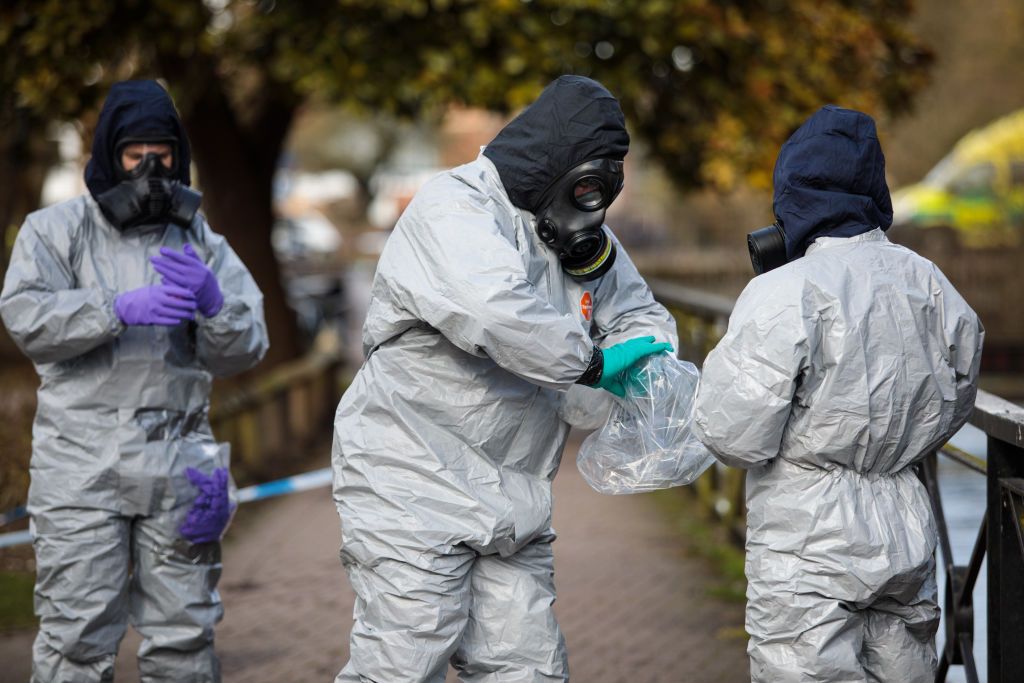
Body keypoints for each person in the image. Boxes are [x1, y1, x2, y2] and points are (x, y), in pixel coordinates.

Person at [332, 75, 677, 682]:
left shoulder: (575, 233)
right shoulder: (453, 207)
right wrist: (593, 365)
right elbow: (496, 310)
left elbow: (645, 316)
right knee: (401, 666)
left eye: (603, 190)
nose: (593, 205)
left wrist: (632, 355)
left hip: (514, 501)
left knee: (530, 669)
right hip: (411, 484)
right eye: (588, 184)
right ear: (554, 164)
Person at [693, 105, 984, 682]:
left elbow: (731, 432)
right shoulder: (930, 282)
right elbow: (958, 394)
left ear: (791, 195)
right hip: (904, 521)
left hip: (808, 537)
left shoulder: (784, 291)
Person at [0, 80, 268, 682]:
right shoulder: (55, 232)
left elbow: (246, 348)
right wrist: (113, 308)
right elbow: (25, 318)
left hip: (182, 461)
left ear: (179, 154)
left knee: (185, 636)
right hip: (81, 465)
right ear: (107, 155)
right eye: (133, 152)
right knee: (78, 637)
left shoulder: (201, 242)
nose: (150, 166)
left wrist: (216, 302)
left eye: (163, 152)